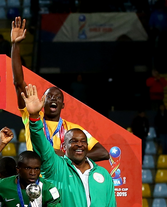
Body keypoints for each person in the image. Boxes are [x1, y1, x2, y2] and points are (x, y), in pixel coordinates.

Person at [22, 84, 119, 207]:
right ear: (64, 147)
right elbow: (41, 145)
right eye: (73, 141)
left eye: (83, 142)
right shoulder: (56, 167)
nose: (80, 145)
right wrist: (34, 118)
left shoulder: (103, 175)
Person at [10, 18, 108, 161]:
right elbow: (18, 82)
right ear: (42, 101)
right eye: (49, 96)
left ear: (63, 105)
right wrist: (15, 45)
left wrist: (68, 157)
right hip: (36, 178)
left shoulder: (72, 129)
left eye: (58, 97)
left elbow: (103, 153)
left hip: (61, 180)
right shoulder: (32, 117)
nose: (54, 99)